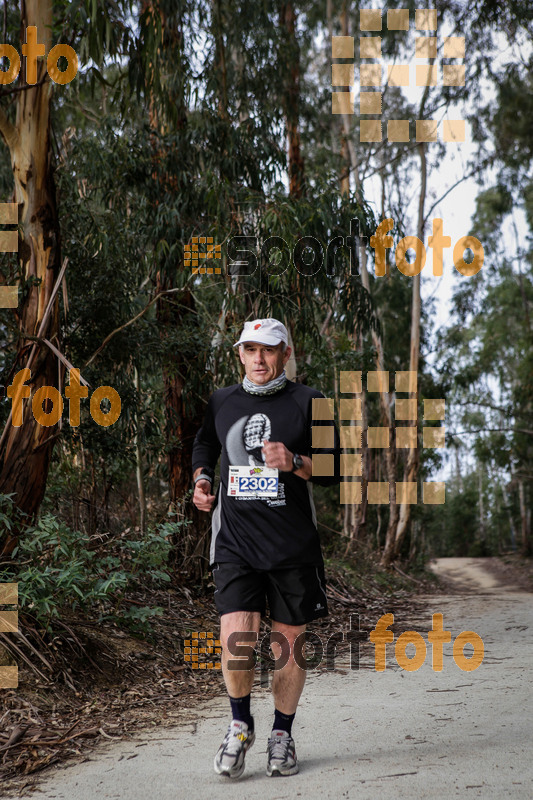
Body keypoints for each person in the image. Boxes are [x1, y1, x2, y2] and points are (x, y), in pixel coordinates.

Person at [192, 318, 339, 779]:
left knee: (287, 650)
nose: (259, 359)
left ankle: (281, 734)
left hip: (292, 547)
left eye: (269, 350)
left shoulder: (309, 401)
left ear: (286, 353)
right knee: (235, 638)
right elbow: (204, 442)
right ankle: (239, 724)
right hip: (235, 542)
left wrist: (295, 462)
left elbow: (337, 467)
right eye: (250, 349)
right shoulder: (221, 400)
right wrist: (200, 478)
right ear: (239, 353)